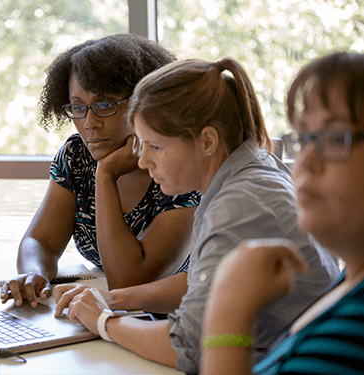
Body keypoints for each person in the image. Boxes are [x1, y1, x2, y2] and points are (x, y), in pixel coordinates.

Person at [54, 57, 339, 374]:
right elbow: (205, 285)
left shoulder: (238, 205)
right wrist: (113, 299)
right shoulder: (254, 169)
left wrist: (103, 322)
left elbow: (186, 346)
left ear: (207, 141)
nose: (143, 161)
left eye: (155, 147)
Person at [0, 34, 201, 308]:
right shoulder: (77, 156)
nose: (89, 123)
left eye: (104, 104)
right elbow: (41, 240)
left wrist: (105, 175)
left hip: (168, 316)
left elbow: (128, 281)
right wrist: (34, 272)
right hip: (106, 306)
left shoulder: (179, 170)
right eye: (78, 107)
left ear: (143, 100)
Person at [201, 51, 364, 375]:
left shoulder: (359, 332)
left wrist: (228, 315)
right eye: (305, 138)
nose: (306, 161)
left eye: (335, 138)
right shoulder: (351, 282)